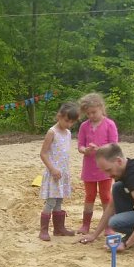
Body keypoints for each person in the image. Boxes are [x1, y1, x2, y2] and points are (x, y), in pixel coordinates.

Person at [76, 93, 118, 233]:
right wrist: (85, 150)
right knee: (89, 196)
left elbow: (114, 146)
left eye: (94, 112)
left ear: (101, 108)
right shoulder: (84, 126)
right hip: (89, 167)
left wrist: (99, 149)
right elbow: (80, 145)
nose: (91, 115)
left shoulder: (109, 124)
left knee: (106, 196)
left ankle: (109, 225)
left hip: (105, 168)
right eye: (88, 113)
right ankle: (85, 225)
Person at [38, 102, 80, 241]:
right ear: (59, 116)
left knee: (59, 201)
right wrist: (52, 169)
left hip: (63, 173)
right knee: (50, 202)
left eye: (72, 122)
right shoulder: (52, 132)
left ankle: (58, 228)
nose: (69, 124)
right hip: (53, 174)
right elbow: (43, 153)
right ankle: (43, 230)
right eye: (67, 120)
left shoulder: (68, 133)